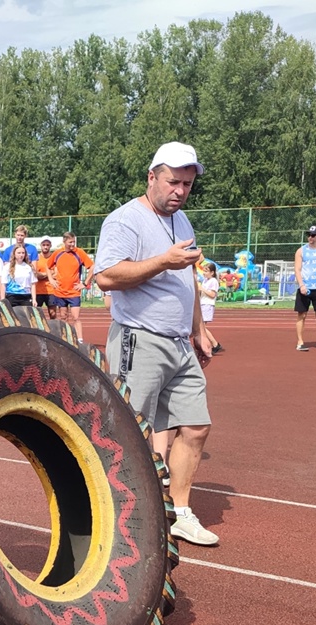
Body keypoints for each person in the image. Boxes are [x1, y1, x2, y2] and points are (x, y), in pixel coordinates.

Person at [93, 141, 218, 547]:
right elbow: (107, 277)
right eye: (172, 182)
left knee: (196, 427)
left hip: (180, 343)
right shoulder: (124, 221)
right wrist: (162, 261)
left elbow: (191, 281)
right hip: (138, 339)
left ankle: (178, 512)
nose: (180, 191)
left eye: (187, 184)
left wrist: (199, 328)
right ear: (151, 177)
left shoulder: (183, 223)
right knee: (128, 431)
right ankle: (118, 516)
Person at [47, 231, 94, 342]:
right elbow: (48, 266)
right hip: (60, 292)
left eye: (74, 242)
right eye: (70, 242)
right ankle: (66, 338)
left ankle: (80, 339)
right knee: (63, 317)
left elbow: (92, 267)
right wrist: (51, 280)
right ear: (64, 242)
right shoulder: (58, 253)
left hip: (74, 292)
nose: (72, 245)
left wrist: (85, 283)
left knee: (76, 317)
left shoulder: (79, 253)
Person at [198, 261, 222, 353]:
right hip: (202, 304)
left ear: (212, 272)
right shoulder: (205, 281)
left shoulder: (213, 281)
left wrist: (202, 289)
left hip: (207, 304)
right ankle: (210, 344)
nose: (204, 273)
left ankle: (215, 344)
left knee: (202, 328)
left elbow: (212, 294)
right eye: (204, 271)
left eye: (206, 271)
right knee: (200, 327)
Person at [33, 236, 57, 318]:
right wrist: (49, 274)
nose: (45, 247)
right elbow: (36, 274)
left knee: (52, 313)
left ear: (50, 245)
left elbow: (56, 274)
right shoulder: (36, 258)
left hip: (51, 290)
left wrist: (43, 274)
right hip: (38, 290)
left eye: (47, 245)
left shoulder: (54, 258)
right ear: (41, 245)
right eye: (44, 245)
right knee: (37, 314)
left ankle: (53, 329)